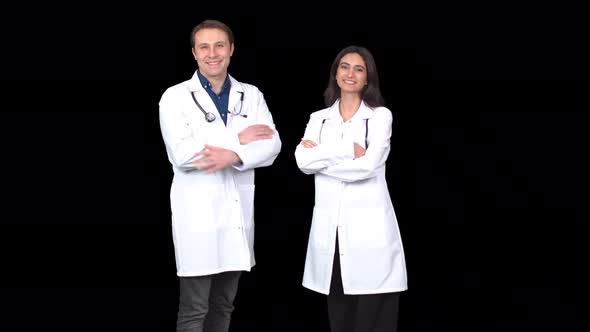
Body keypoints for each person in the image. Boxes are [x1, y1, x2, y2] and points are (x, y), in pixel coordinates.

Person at [158, 19, 281, 332]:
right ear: (194, 53)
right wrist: (238, 143)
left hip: (236, 216)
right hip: (198, 217)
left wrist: (234, 156)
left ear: (231, 50)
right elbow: (182, 154)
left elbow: (273, 144)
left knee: (224, 305)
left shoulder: (250, 95)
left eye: (219, 45)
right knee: (194, 310)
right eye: (204, 47)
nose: (212, 53)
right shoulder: (175, 97)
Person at [294, 45, 407, 332]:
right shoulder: (319, 118)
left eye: (359, 68)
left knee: (373, 320)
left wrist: (322, 157)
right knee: (340, 318)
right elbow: (302, 161)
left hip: (370, 236)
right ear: (335, 73)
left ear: (368, 78)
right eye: (344, 66)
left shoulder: (380, 117)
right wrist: (348, 149)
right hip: (332, 235)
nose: (350, 73)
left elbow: (368, 167)